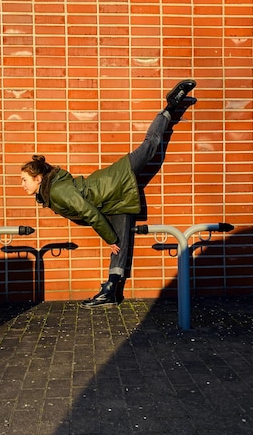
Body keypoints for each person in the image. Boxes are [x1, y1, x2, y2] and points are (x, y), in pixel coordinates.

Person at [20, 79, 196, 308]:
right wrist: (113, 240)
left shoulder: (58, 191)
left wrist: (109, 238)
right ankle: (111, 290)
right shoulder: (51, 191)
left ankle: (169, 107)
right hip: (113, 201)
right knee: (121, 247)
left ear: (38, 178)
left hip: (115, 182)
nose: (22, 185)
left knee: (149, 147)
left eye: (24, 180)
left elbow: (88, 211)